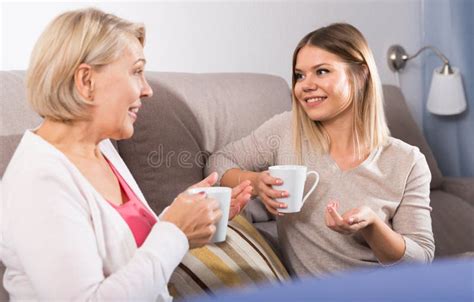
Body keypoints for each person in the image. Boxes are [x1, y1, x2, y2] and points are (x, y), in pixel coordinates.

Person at [0, 8, 252, 301]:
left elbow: (126, 251)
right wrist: (175, 232)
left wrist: (184, 215)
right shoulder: (38, 181)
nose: (147, 90)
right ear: (86, 81)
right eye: (136, 71)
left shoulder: (101, 148)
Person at [206, 23, 435, 277]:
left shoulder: (407, 161)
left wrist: (372, 226)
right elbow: (218, 162)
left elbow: (421, 259)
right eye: (300, 75)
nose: (305, 85)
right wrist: (256, 183)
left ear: (361, 75)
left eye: (322, 71)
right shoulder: (287, 131)